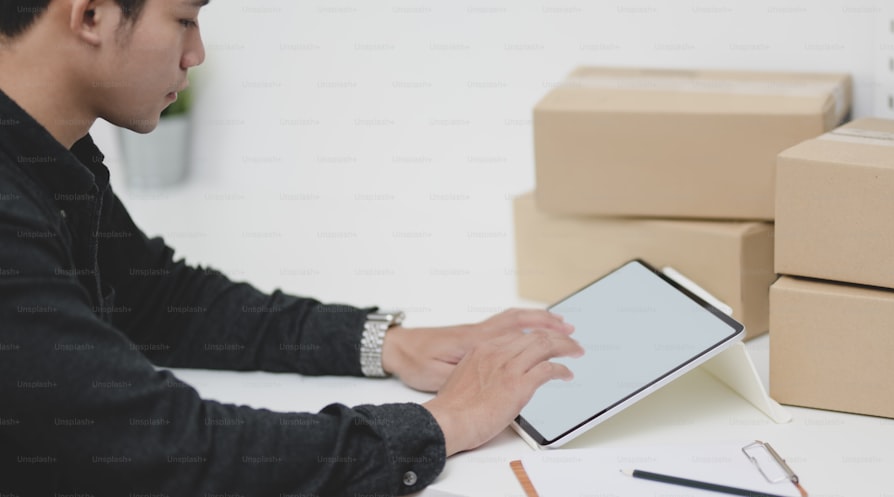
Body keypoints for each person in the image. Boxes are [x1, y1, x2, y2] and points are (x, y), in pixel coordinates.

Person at [0, 0, 584, 495]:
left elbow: (154, 298)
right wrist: (439, 424)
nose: (195, 53)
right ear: (92, 14)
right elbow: (159, 444)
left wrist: (386, 343)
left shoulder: (49, 156)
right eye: (184, 18)